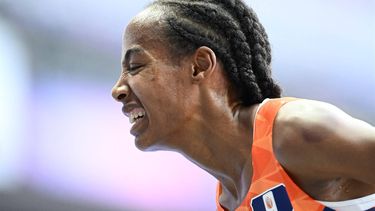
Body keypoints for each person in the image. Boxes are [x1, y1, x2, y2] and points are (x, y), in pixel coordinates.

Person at [111, 0, 375, 210]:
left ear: (199, 66)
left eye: (136, 66)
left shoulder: (295, 131)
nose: (118, 90)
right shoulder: (228, 200)